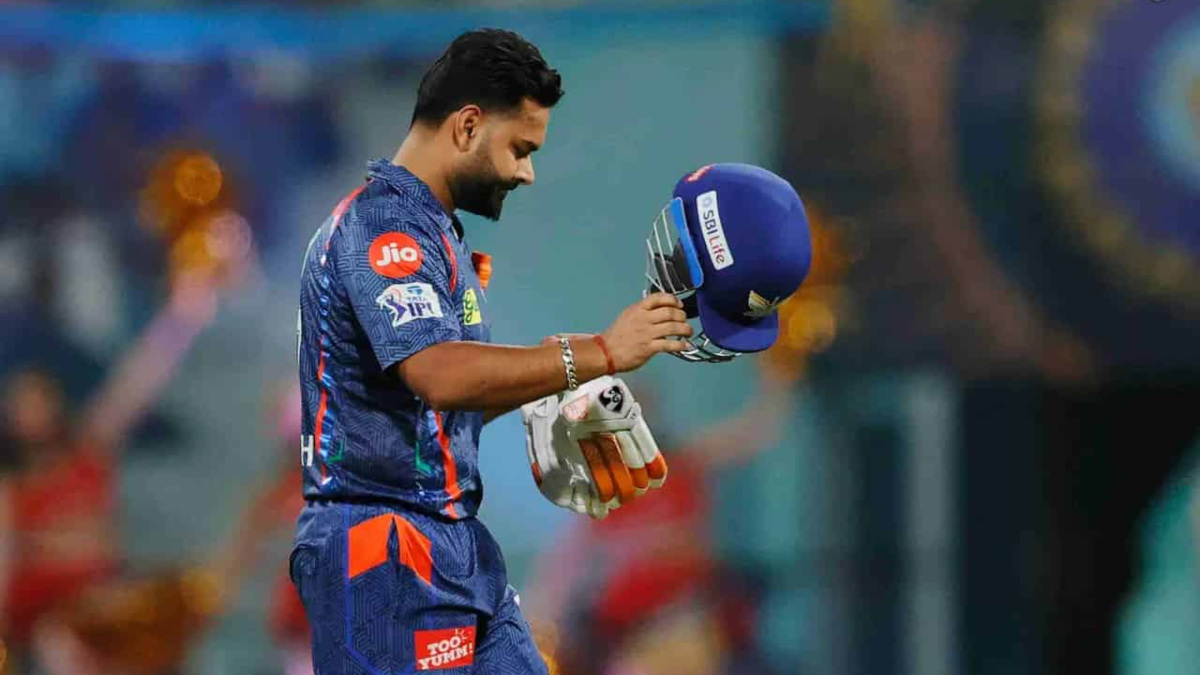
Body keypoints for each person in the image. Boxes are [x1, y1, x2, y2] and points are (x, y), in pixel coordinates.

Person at [291, 28, 693, 675]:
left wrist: (559, 415)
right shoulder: (383, 227)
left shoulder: (437, 236)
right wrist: (598, 352)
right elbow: (440, 374)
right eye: (520, 149)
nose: (527, 172)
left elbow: (442, 412)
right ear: (468, 125)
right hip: (385, 554)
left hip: (450, 544)